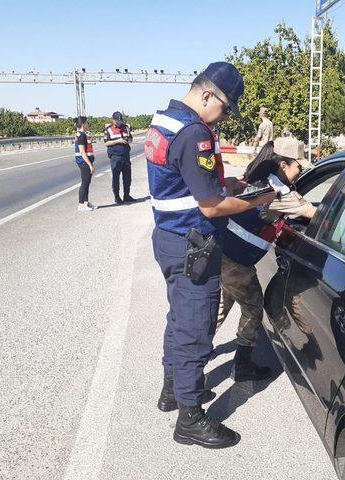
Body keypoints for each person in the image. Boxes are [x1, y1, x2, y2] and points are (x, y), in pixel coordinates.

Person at [147, 61, 276, 449]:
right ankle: (190, 418)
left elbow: (184, 179)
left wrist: (227, 182)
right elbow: (211, 207)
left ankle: (173, 390)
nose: (222, 119)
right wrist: (261, 198)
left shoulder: (165, 120)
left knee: (177, 317)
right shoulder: (195, 132)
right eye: (223, 108)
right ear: (207, 95)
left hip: (168, 237)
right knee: (196, 327)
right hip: (193, 244)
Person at [217, 136, 317, 381]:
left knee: (221, 305)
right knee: (252, 307)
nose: (299, 172)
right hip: (237, 260)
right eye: (298, 167)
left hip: (222, 252)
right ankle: (242, 366)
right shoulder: (280, 192)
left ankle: (192, 356)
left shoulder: (258, 178)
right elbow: (312, 212)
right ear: (284, 165)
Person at [104, 111, 135, 204]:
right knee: (116, 178)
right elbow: (106, 143)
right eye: (117, 121)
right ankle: (117, 197)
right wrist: (118, 141)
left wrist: (127, 140)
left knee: (127, 177)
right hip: (115, 156)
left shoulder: (126, 127)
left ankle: (127, 195)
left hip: (126, 155)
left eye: (120, 121)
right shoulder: (108, 129)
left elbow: (131, 138)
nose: (119, 123)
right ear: (113, 120)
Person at [73, 116, 95, 212]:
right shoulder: (81, 135)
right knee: (85, 183)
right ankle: (81, 205)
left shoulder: (81, 134)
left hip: (85, 161)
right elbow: (82, 152)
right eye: (86, 123)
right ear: (83, 124)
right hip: (84, 162)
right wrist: (90, 165)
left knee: (87, 183)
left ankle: (86, 203)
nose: (88, 124)